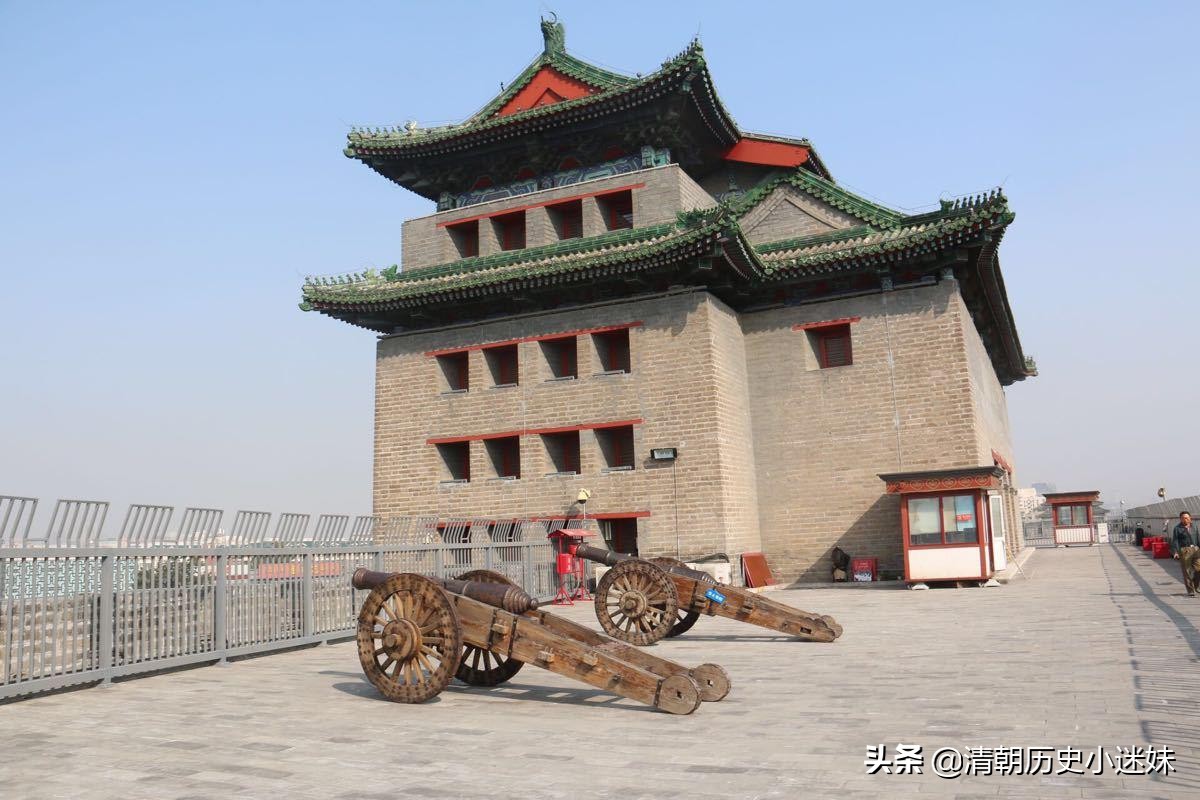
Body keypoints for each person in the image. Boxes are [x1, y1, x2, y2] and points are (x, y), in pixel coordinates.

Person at [1170, 511, 1198, 597]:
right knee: (1187, 571)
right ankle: (1190, 590)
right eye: (1182, 518)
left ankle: (1196, 586)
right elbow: (1175, 540)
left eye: (1186, 518)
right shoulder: (1177, 528)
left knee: (1198, 569)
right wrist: (1175, 552)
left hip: (1196, 549)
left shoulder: (1194, 526)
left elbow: (1198, 537)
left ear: (1190, 518)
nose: (1185, 519)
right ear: (1180, 519)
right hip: (1184, 550)